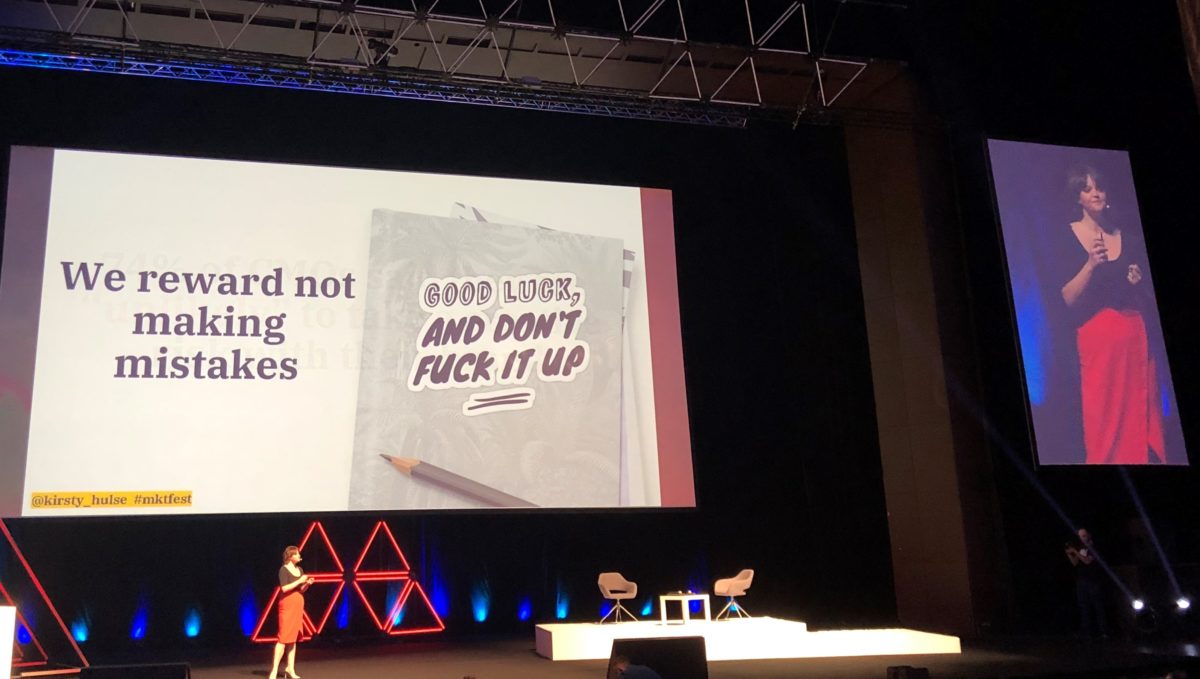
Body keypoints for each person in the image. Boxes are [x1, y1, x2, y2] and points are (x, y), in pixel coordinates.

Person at [1055, 164, 1165, 464]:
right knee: (1103, 418)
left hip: (1134, 338)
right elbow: (1067, 298)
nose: (1095, 193)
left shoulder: (1129, 237)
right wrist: (1091, 264)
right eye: (1087, 188)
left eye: (1099, 187)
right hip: (1099, 344)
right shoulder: (1067, 235)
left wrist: (1138, 283)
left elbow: (1147, 297)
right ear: (1077, 197)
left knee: (1140, 414)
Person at [268, 545, 314, 679]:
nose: (299, 555)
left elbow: (300, 589)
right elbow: (284, 588)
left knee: (292, 639)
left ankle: (290, 669)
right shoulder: (283, 570)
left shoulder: (299, 569)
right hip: (287, 605)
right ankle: (274, 670)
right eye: (297, 554)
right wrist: (300, 580)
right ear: (290, 556)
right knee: (283, 638)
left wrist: (307, 584)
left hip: (297, 605)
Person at [1065, 528, 1106, 638]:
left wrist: (1075, 551)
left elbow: (1087, 561)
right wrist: (1069, 554)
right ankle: (1086, 631)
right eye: (1080, 536)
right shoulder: (1081, 548)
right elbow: (1075, 563)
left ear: (1088, 535)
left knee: (1097, 606)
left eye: (1083, 535)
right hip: (1082, 580)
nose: (1082, 538)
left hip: (1093, 581)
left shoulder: (1093, 547)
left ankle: (1103, 631)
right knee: (1084, 607)